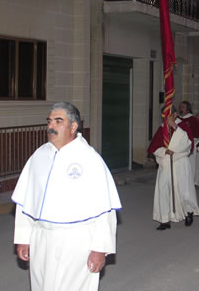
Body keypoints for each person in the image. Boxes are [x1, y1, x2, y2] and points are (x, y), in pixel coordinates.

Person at [12, 102, 121, 291]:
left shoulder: (90, 159)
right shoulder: (39, 156)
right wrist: (23, 237)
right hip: (41, 238)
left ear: (73, 126)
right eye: (49, 121)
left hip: (77, 242)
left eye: (58, 121)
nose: (51, 126)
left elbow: (105, 210)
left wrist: (100, 249)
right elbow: (25, 202)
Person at [148, 106, 199, 230]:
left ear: (175, 114)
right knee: (164, 190)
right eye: (164, 115)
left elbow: (188, 143)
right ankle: (164, 219)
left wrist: (175, 128)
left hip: (180, 162)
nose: (166, 117)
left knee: (183, 190)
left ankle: (188, 212)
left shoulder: (182, 126)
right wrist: (164, 151)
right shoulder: (162, 128)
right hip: (165, 163)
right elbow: (154, 146)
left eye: (169, 114)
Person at [178, 101, 199, 185]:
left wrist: (189, 142)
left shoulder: (193, 119)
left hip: (190, 145)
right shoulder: (177, 119)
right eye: (180, 106)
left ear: (188, 109)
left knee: (191, 165)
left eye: (183, 107)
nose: (181, 108)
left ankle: (191, 182)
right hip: (179, 147)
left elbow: (198, 134)